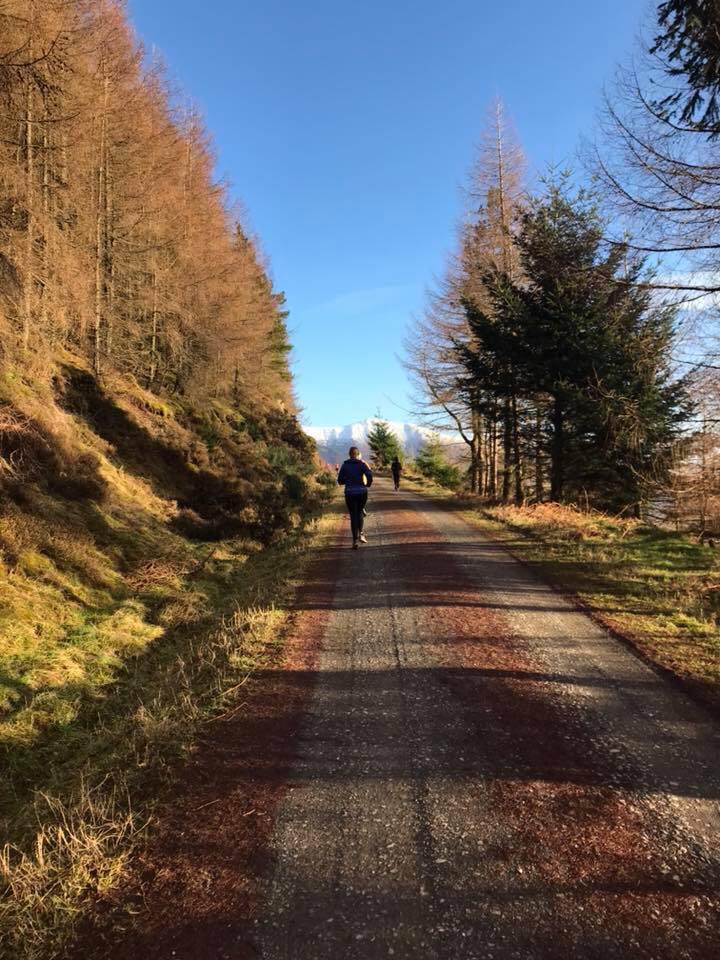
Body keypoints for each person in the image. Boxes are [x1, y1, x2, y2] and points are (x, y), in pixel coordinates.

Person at [337, 447, 373, 549]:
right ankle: (361, 533)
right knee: (360, 512)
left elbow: (339, 480)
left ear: (349, 454)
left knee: (353, 515)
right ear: (358, 454)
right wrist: (368, 484)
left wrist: (347, 482)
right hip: (362, 493)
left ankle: (354, 541)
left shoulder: (344, 465)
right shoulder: (362, 464)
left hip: (349, 493)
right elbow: (369, 474)